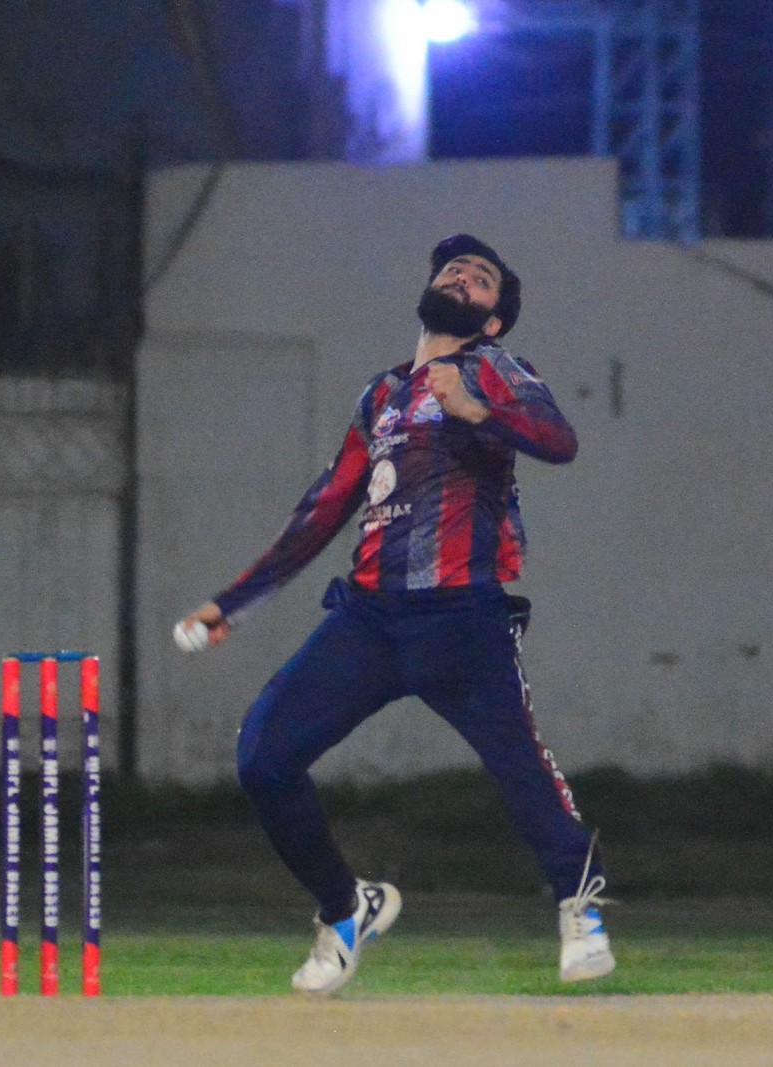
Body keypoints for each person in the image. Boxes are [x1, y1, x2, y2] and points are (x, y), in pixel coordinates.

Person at [173, 234, 612, 994]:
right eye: (454, 269)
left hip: (463, 617)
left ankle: (580, 905)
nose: (462, 276)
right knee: (263, 756)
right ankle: (347, 909)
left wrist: (474, 409)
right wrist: (235, 602)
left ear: (493, 319)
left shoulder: (497, 369)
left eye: (481, 278)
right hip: (371, 619)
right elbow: (325, 506)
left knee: (519, 766)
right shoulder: (380, 396)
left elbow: (559, 441)